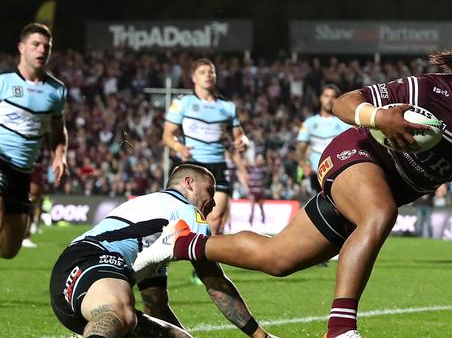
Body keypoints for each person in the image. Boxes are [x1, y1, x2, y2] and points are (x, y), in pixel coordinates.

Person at [137, 38, 452, 338]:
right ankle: (341, 328)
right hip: (352, 155)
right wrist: (380, 117)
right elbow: (346, 102)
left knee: (276, 260)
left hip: (372, 189)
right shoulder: (429, 91)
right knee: (381, 214)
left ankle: (179, 243)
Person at [49, 164, 274, 338]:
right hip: (91, 261)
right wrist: (259, 334)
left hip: (77, 285)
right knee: (121, 312)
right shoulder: (185, 211)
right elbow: (215, 283)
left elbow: (155, 302)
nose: (213, 202)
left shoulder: (154, 218)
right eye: (210, 191)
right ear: (189, 184)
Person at [163, 58, 249, 283]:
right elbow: (167, 134)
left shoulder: (227, 107)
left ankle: (202, 268)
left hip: (218, 166)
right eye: (202, 72)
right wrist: (178, 146)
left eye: (211, 72)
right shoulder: (182, 103)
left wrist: (243, 142)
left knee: (216, 218)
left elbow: (239, 135)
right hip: (192, 166)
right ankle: (160, 262)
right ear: (194, 78)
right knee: (182, 218)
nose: (208, 75)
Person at [0, 23, 68, 259]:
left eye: (46, 47)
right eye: (35, 45)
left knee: (9, 249)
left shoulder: (56, 91)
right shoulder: (3, 81)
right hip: (1, 160)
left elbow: (58, 130)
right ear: (21, 47)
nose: (41, 50)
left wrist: (60, 157)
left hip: (23, 171)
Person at [296, 84, 351, 193]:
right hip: (315, 177)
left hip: (338, 175)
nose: (329, 100)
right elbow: (299, 150)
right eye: (326, 96)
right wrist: (303, 164)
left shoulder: (346, 124)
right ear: (321, 98)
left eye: (333, 96)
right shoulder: (308, 123)